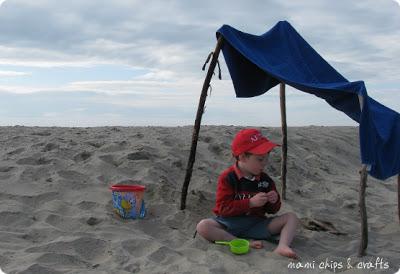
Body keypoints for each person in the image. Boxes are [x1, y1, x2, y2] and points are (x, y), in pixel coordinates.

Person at [196, 128, 299, 259]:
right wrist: (250, 203)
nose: (265, 164)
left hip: (257, 224)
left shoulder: (265, 180)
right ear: (243, 157)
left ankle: (283, 246)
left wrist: (273, 201)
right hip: (229, 224)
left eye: (266, 158)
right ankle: (236, 241)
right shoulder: (228, 178)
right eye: (260, 159)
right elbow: (223, 208)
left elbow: (273, 210)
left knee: (291, 218)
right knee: (203, 226)